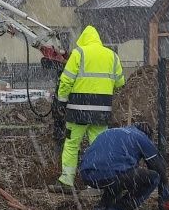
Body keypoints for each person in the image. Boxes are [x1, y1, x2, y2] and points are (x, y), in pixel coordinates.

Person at [47, 25, 124, 193]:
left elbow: (66, 81)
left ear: (83, 39)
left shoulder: (79, 53)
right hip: (102, 112)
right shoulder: (112, 56)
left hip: (78, 111)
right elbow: (120, 82)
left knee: (72, 144)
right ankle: (97, 183)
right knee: (99, 146)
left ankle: (67, 181)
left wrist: (61, 101)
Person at [79, 121, 169, 210]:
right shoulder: (142, 137)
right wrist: (167, 199)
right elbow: (159, 169)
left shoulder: (110, 132)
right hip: (112, 173)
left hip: (87, 173)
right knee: (153, 178)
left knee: (117, 180)